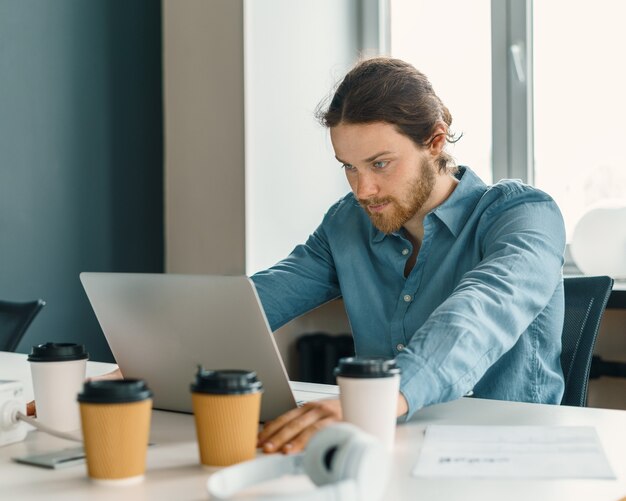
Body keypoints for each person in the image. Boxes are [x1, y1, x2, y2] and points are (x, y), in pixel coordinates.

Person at [253, 57, 566, 455]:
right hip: (387, 447)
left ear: (435, 141)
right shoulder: (346, 224)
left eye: (380, 163)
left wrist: (379, 400)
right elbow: (262, 298)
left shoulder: (524, 215)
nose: (363, 189)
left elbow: (482, 308)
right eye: (349, 167)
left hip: (512, 453)